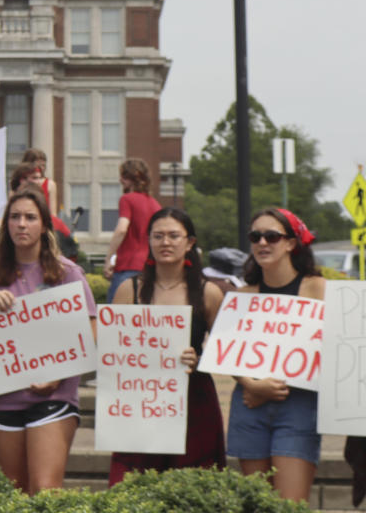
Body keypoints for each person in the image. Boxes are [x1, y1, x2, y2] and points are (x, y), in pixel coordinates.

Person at [0, 185, 97, 494]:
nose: (21, 224)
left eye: (30, 217)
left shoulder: (66, 273)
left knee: (45, 490)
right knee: (15, 492)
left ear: (44, 225)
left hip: (53, 399)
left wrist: (58, 374)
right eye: (15, 217)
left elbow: (91, 332)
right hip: (4, 398)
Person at [108, 207, 226, 484]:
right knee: (131, 487)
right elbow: (110, 349)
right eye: (158, 236)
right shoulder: (130, 289)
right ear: (148, 240)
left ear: (190, 242)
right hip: (139, 402)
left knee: (193, 489)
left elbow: (226, 351)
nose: (166, 243)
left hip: (194, 403)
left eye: (174, 235)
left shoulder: (208, 292)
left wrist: (199, 359)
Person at [226, 208, 325, 503]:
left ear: (291, 243)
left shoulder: (317, 289)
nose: (262, 243)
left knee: (290, 506)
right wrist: (252, 385)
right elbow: (226, 352)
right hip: (249, 403)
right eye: (255, 236)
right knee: (256, 505)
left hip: (299, 407)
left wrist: (271, 389)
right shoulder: (242, 295)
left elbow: (329, 350)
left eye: (272, 236)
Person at [103, 158, 161, 301]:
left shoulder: (127, 199)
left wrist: (109, 258)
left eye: (123, 176)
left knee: (114, 316)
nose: (120, 180)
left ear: (131, 178)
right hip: (149, 267)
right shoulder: (155, 204)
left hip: (128, 265)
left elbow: (122, 229)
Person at [21, 148, 58, 218]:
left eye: (43, 165)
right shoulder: (18, 183)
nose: (41, 168)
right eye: (38, 165)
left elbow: (53, 214)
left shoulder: (50, 184)